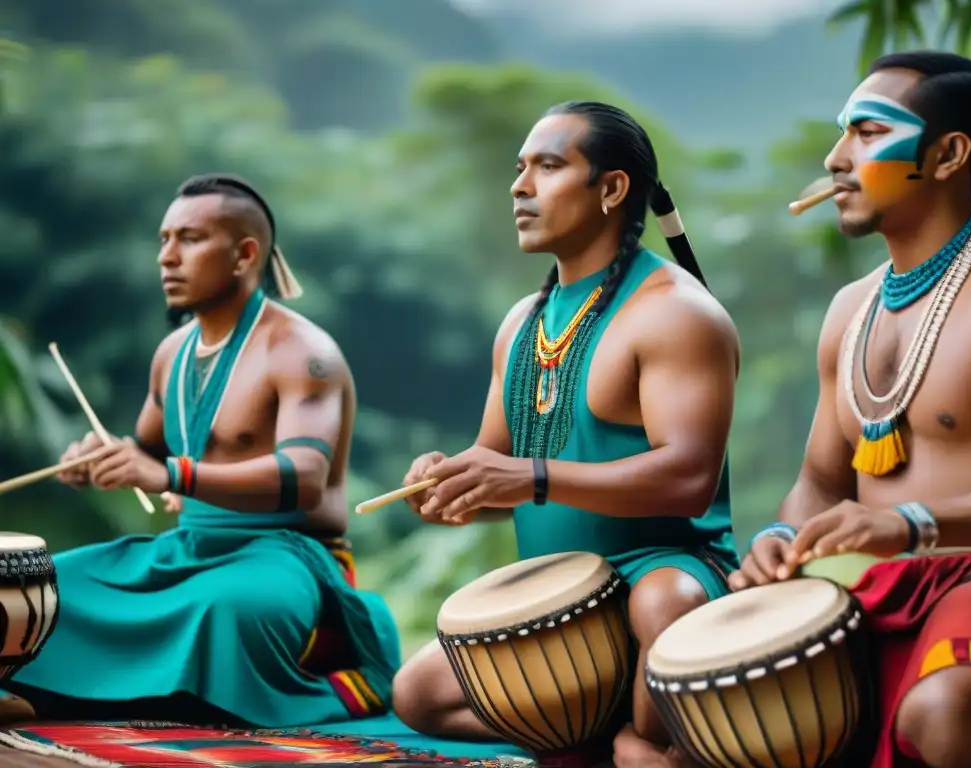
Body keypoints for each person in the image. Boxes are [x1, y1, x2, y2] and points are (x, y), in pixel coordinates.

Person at [391, 101, 741, 768]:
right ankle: (609, 738)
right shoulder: (523, 322)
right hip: (565, 595)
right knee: (420, 695)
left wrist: (534, 477)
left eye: (548, 167)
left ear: (611, 189)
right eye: (519, 169)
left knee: (667, 599)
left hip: (666, 577)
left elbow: (690, 481)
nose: (520, 187)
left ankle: (639, 732)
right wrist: (445, 486)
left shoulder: (676, 313)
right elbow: (492, 474)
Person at [3, 174, 401, 727]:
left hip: (286, 554)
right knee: (41, 588)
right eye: (164, 239)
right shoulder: (172, 353)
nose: (167, 257)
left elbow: (304, 476)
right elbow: (142, 450)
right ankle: (107, 697)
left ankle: (62, 701)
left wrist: (170, 475)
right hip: (189, 548)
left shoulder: (303, 352)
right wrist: (96, 457)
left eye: (189, 239)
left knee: (225, 610)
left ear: (244, 254)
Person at [729, 51, 971, 768]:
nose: (835, 159)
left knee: (950, 715)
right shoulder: (849, 310)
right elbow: (822, 480)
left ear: (950, 154)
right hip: (875, 581)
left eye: (867, 133)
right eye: (842, 134)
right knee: (705, 693)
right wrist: (781, 535)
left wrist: (907, 523)